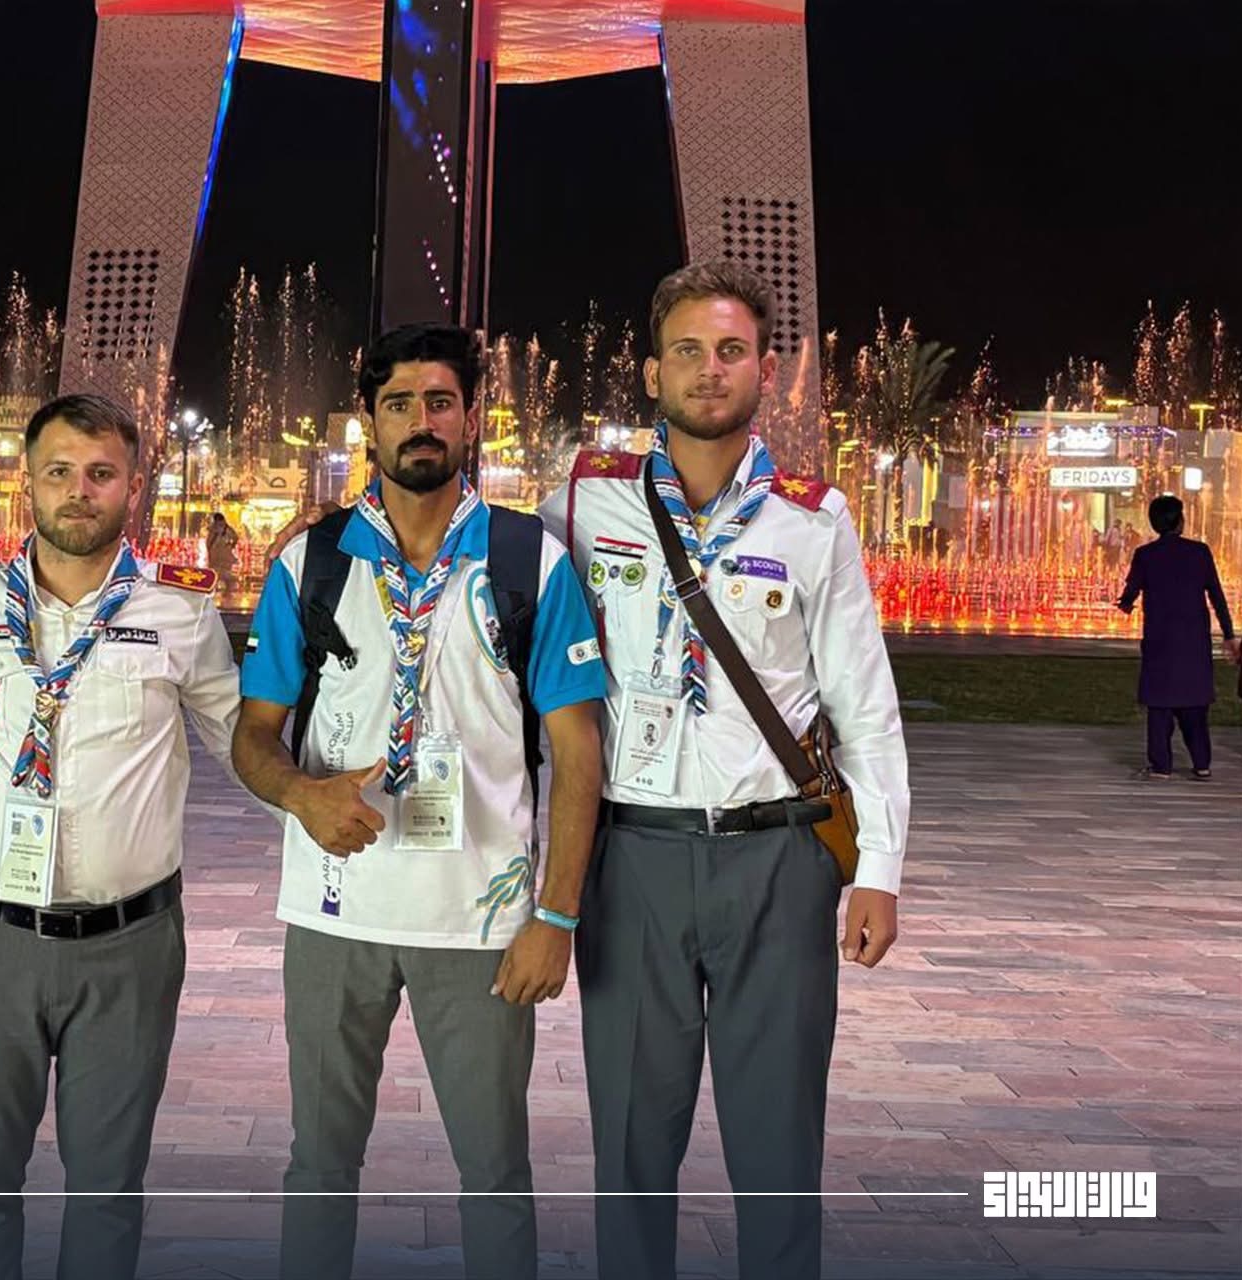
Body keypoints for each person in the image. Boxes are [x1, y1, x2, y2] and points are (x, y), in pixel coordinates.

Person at [535, 260, 910, 1280]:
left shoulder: (813, 519)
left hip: (776, 860)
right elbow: (498, 596)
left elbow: (863, 704)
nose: (711, 369)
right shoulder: (585, 501)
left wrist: (879, 867)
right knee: (629, 1138)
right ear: (651, 369)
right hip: (632, 858)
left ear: (766, 371)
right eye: (689, 350)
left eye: (732, 350)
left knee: (779, 1139)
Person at [233, 323, 606, 1280]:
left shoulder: (528, 559)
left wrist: (556, 917)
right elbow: (252, 734)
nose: (421, 421)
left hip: (480, 923)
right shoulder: (314, 562)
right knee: (319, 1166)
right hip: (335, 913)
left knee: (496, 1172)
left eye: (441, 401)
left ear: (472, 418)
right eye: (399, 404)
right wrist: (301, 796)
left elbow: (578, 752)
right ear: (371, 421)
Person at [0, 392, 240, 1280]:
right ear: (27, 480)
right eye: (59, 471)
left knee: (106, 1189)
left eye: (101, 473)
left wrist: (320, 795)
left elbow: (242, 742)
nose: (79, 490)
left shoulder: (179, 610)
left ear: (134, 485)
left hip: (129, 945)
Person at [1117, 494, 1235, 780]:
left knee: (1160, 704)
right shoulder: (1200, 552)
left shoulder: (1145, 555)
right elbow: (1216, 595)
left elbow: (1132, 589)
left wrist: (1126, 603)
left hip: (1160, 639)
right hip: (1193, 640)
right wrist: (1229, 634)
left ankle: (1161, 765)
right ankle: (1202, 763)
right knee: (1194, 704)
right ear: (1179, 521)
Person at [206, 510, 239, 598]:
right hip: (218, 554)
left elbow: (235, 537)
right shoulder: (216, 529)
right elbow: (209, 542)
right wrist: (230, 545)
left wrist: (230, 545)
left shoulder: (223, 529)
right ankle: (221, 591)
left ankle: (225, 591)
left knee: (222, 573)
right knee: (218, 573)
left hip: (222, 554)